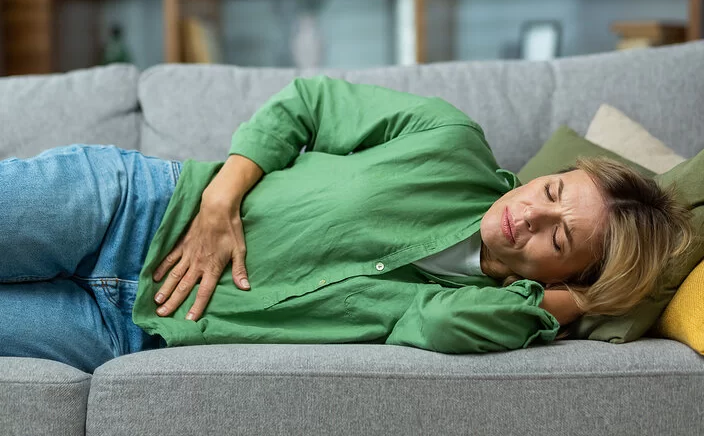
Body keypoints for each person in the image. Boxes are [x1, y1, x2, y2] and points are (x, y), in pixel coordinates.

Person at [0, 76, 691, 373]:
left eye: (558, 238)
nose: (528, 213)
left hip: (133, 330)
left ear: (573, 275)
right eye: (550, 189)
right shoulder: (450, 140)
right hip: (133, 207)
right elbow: (308, 103)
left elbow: (437, 329)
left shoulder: (488, 310)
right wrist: (219, 203)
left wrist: (569, 307)